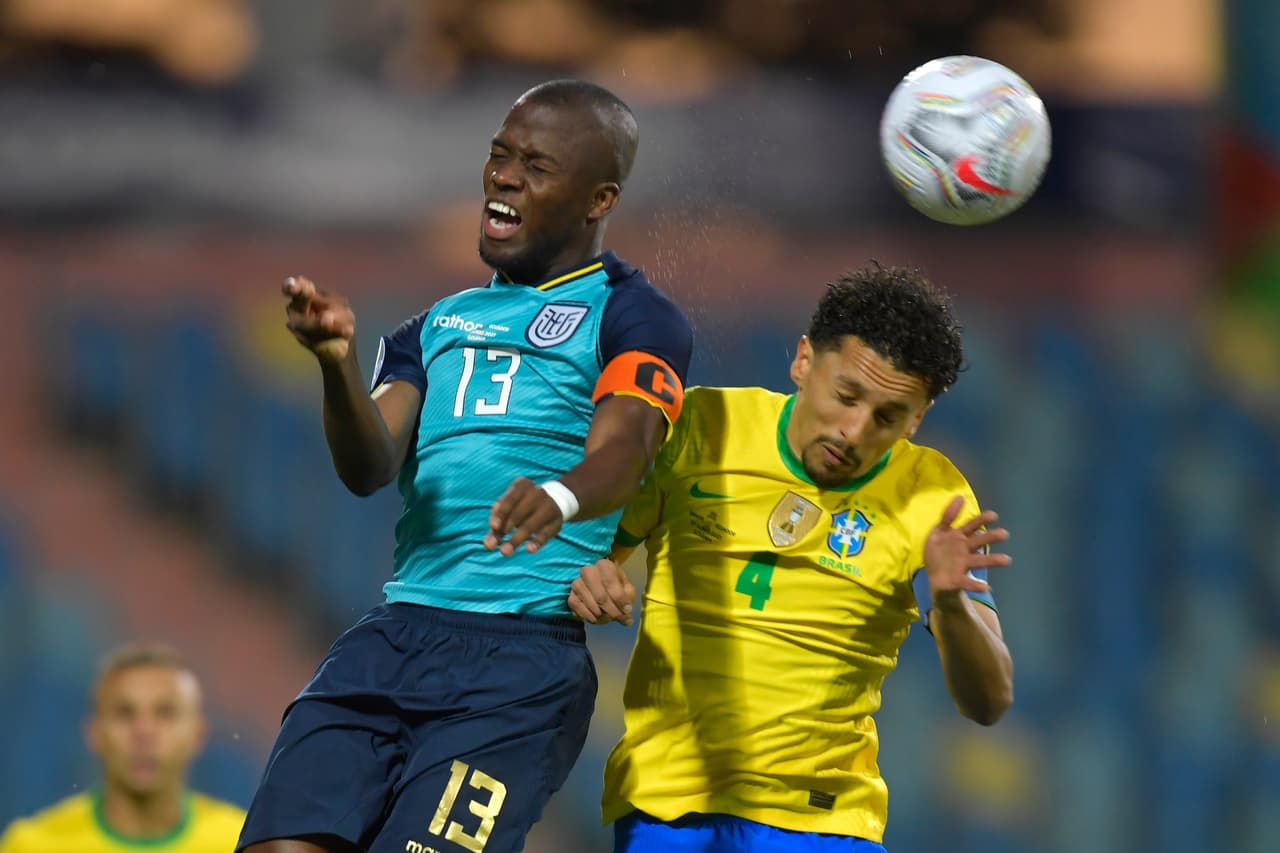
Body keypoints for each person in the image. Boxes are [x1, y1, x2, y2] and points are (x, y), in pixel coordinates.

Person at [237, 79, 693, 853]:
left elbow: (627, 446)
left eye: (536, 165)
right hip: (392, 637)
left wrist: (562, 493)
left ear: (598, 198)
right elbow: (368, 463)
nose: (504, 176)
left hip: (520, 664)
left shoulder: (631, 313)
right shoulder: (434, 325)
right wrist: (336, 363)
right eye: (499, 155)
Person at [568, 263, 1014, 852]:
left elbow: (989, 701)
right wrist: (591, 576)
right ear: (803, 360)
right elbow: (582, 559)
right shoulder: (703, 426)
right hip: (668, 808)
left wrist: (952, 603)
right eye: (847, 396)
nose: (854, 431)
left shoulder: (932, 495)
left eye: (887, 418)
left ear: (918, 420)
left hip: (823, 823)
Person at [0, 644, 246, 853]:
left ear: (197, 735)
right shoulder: (33, 846)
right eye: (124, 713)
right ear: (94, 733)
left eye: (165, 713)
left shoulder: (243, 844)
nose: (144, 732)